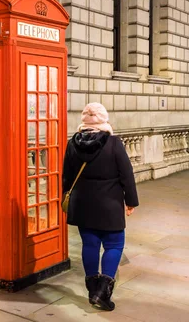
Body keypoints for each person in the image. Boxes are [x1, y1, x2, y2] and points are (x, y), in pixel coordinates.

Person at [62, 102, 139, 311]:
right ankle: (102, 293)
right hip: (109, 204)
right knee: (114, 244)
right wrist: (131, 201)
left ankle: (92, 289)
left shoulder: (72, 143)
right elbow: (126, 174)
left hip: (82, 204)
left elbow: (67, 176)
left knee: (90, 245)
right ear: (103, 120)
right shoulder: (113, 143)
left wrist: (66, 197)